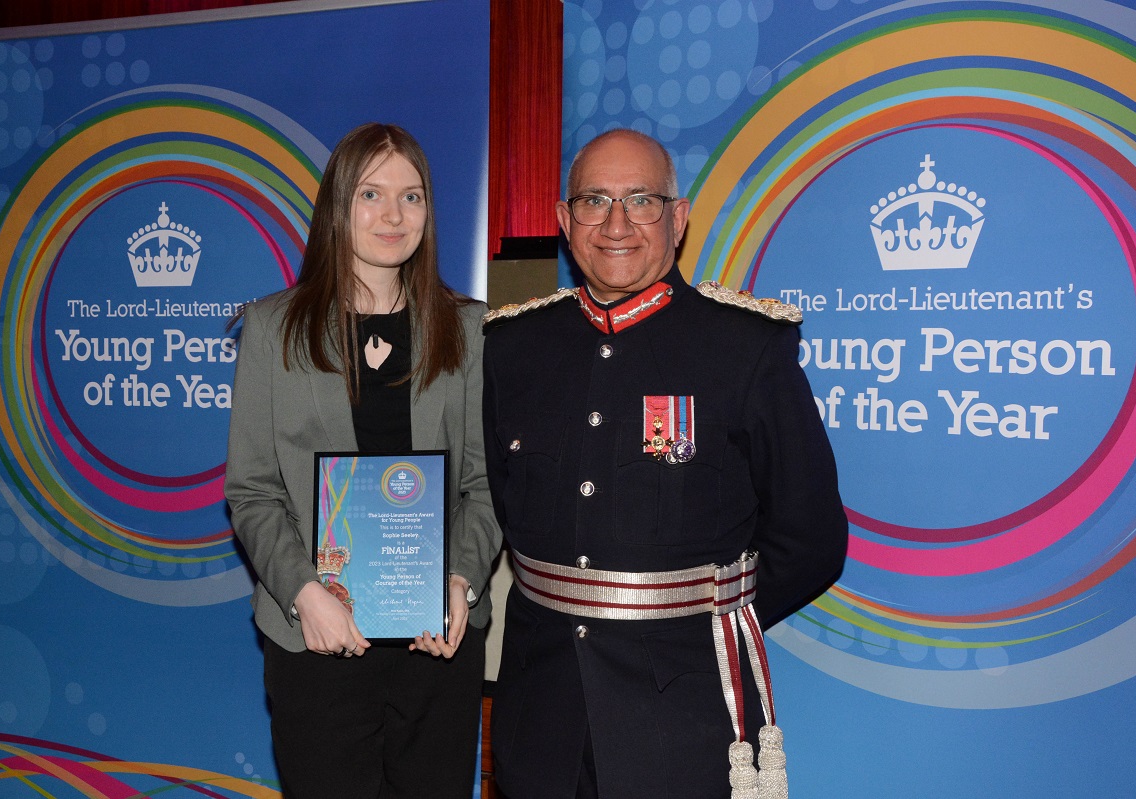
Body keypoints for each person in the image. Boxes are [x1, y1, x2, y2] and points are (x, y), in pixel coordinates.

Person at [481, 129, 848, 798]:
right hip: (541, 711)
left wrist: (700, 622)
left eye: (641, 200)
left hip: (684, 717)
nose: (616, 224)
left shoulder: (745, 347)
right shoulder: (512, 347)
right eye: (594, 200)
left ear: (678, 219)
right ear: (564, 219)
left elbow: (811, 538)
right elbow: (508, 507)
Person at [225, 123, 501, 798]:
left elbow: (487, 482)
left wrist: (461, 582)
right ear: (337, 206)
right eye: (371, 194)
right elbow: (253, 490)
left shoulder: (470, 329)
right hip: (317, 636)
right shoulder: (273, 327)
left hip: (436, 638)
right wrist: (305, 594)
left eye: (412, 196)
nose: (393, 215)